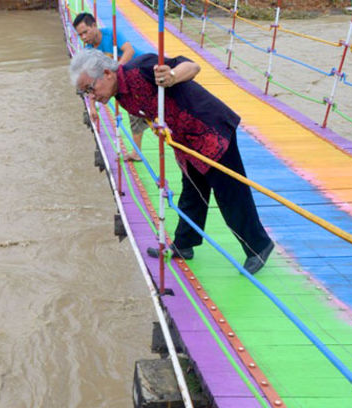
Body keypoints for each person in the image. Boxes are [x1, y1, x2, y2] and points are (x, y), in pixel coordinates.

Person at [69, 48, 275, 274]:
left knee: (230, 192)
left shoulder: (141, 67)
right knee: (192, 191)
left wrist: (172, 76)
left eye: (90, 88)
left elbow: (192, 66)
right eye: (85, 93)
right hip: (184, 138)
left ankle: (258, 246)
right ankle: (185, 244)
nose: (92, 96)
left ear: (107, 73)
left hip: (209, 128)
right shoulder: (120, 95)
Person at [73, 12, 151, 161]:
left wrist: (116, 70)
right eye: (80, 35)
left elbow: (130, 51)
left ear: (94, 26)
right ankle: (136, 153)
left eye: (85, 32)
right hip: (125, 79)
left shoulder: (112, 33)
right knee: (133, 112)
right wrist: (92, 106)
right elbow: (92, 80)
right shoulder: (89, 51)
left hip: (141, 68)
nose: (83, 37)